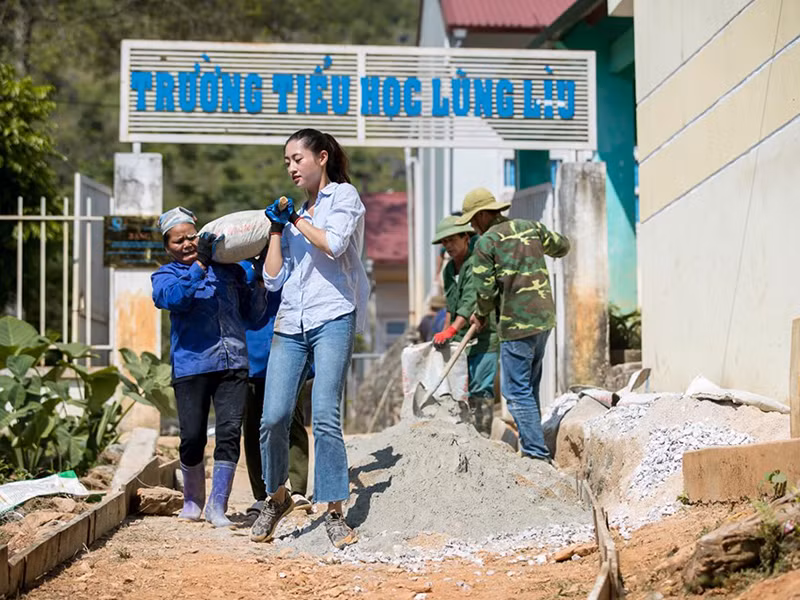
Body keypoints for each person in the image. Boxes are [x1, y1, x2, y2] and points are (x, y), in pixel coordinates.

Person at [251, 128, 369, 549]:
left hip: (333, 315)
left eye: (297, 158)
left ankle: (334, 508)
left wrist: (297, 221)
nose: (291, 167)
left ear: (320, 157)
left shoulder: (344, 198)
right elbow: (273, 278)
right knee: (274, 417)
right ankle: (277, 497)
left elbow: (334, 244)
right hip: (291, 322)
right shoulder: (297, 213)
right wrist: (277, 232)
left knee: (324, 415)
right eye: (286, 162)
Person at [151, 207, 267, 526]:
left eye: (192, 237)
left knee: (229, 434)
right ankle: (192, 502)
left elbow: (253, 317)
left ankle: (218, 507)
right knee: (192, 437)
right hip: (192, 366)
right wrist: (200, 264)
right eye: (178, 241)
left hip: (233, 363)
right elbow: (176, 299)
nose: (187, 244)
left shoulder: (229, 271)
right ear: (167, 247)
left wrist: (257, 276)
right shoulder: (164, 276)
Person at [455, 188, 570, 462]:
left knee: (516, 391)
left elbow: (485, 292)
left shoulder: (486, 243)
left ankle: (535, 454)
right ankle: (534, 446)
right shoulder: (531, 228)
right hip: (543, 319)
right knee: (528, 386)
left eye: (473, 220)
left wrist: (480, 316)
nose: (472, 226)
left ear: (484, 215)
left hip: (516, 324)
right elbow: (562, 246)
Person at [238, 256, 312, 517]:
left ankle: (298, 488)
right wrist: (254, 269)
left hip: (290, 354)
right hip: (252, 359)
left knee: (293, 422)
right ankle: (262, 494)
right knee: (256, 428)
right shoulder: (243, 272)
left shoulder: (292, 265)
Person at [431, 215, 499, 437]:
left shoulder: (477, 263)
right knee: (461, 390)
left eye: (452, 240)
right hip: (461, 340)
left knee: (481, 387)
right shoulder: (449, 269)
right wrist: (447, 330)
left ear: (465, 237)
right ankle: (464, 436)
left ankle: (484, 438)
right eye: (445, 242)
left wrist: (452, 329)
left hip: (484, 337)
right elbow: (452, 305)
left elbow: (470, 302)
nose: (448, 246)